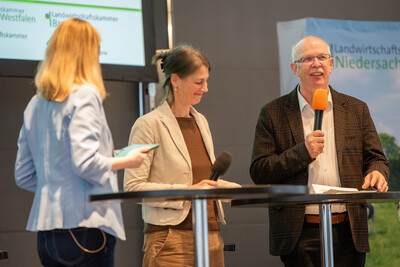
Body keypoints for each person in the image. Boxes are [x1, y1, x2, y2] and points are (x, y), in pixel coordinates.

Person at [14, 18, 149, 267]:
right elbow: (85, 163)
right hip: (85, 229)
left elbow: (23, 174)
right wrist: (128, 161)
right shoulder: (84, 95)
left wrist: (107, 158)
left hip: (47, 235)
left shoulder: (35, 103)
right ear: (87, 53)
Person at [250, 36, 389, 267]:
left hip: (349, 228)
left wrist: (378, 172)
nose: (316, 63)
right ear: (295, 68)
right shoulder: (273, 113)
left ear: (331, 64)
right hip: (299, 230)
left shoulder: (356, 109)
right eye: (307, 59)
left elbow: (376, 158)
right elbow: (260, 171)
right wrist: (302, 152)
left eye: (322, 57)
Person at [124, 44, 240, 267]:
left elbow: (204, 182)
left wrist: (237, 192)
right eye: (198, 82)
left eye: (206, 81)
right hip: (170, 241)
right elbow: (133, 187)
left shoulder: (201, 121)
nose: (205, 88)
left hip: (211, 238)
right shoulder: (148, 124)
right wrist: (188, 192)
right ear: (175, 80)